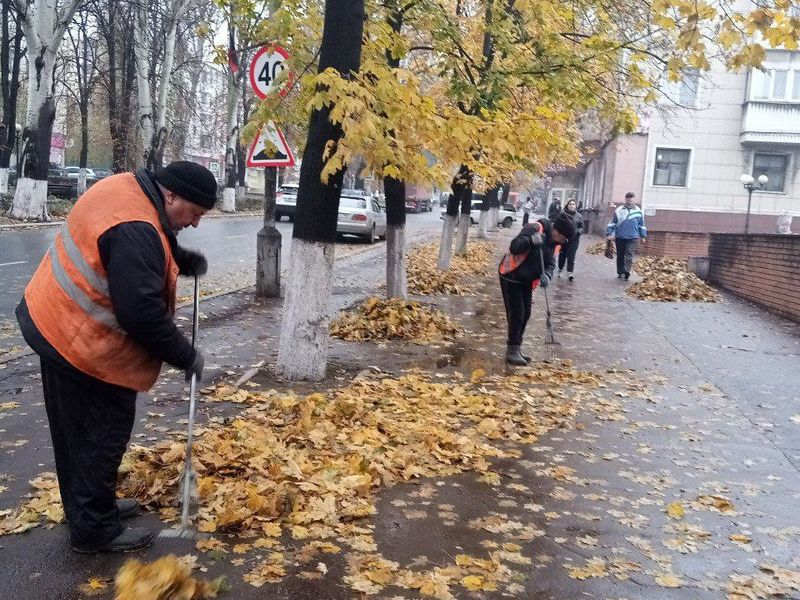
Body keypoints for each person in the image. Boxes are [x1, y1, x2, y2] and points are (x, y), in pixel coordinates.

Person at [15, 161, 217, 554]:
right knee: (101, 434)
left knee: (78, 433)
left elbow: (143, 240)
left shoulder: (132, 189)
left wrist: (177, 256)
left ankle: (90, 507)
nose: (195, 223)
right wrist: (186, 355)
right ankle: (93, 529)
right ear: (171, 194)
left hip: (56, 320)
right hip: (78, 340)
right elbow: (139, 312)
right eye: (193, 213)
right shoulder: (136, 229)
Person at [498, 213, 577, 365]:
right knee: (517, 314)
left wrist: (547, 275)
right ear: (557, 231)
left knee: (526, 314)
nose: (564, 241)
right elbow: (514, 247)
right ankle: (512, 351)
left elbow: (551, 264)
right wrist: (531, 240)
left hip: (526, 280)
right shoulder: (535, 228)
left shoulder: (555, 244)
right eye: (564, 237)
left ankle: (516, 348)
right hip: (511, 276)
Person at [607, 191, 647, 280]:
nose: (630, 199)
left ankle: (627, 271)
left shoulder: (638, 211)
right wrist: (609, 233)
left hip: (632, 237)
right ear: (625, 199)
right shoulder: (619, 210)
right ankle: (620, 272)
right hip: (620, 236)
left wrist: (643, 236)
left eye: (631, 198)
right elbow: (613, 222)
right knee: (620, 255)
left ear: (634, 199)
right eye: (628, 197)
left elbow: (641, 225)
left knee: (629, 254)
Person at [558, 199, 584, 281]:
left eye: (573, 204)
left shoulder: (579, 216)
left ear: (575, 206)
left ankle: (570, 272)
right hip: (564, 239)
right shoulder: (563, 214)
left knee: (571, 255)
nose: (572, 205)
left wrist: (578, 231)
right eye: (570, 204)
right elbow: (558, 226)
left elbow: (582, 227)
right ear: (567, 205)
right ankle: (560, 268)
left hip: (574, 239)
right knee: (562, 255)